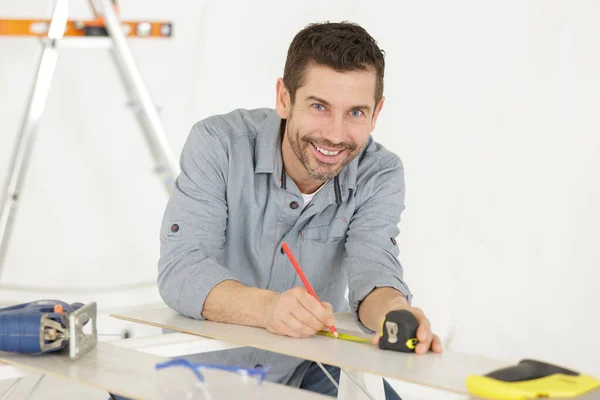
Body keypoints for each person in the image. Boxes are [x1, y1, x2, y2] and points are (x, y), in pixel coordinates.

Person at [114, 21, 443, 400]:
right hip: (198, 369)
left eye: (355, 112)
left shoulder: (380, 172)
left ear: (377, 112)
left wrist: (396, 316)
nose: (336, 134)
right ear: (284, 98)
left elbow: (375, 273)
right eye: (319, 107)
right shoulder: (218, 144)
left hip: (308, 369)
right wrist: (267, 308)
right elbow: (181, 270)